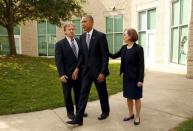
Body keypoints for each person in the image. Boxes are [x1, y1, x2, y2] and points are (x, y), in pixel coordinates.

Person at [67, 15, 110, 126]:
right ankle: (79, 119)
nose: (82, 24)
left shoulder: (100, 36)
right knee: (82, 95)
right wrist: (77, 68)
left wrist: (103, 72)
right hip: (85, 72)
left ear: (91, 22)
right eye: (81, 22)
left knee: (102, 93)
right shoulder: (81, 37)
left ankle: (105, 111)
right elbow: (81, 55)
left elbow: (105, 56)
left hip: (98, 72)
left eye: (84, 22)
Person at [109, 28, 144, 125]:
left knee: (136, 97)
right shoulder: (124, 48)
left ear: (131, 36)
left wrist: (140, 80)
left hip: (136, 78)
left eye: (125, 35)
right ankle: (130, 114)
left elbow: (141, 65)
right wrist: (104, 50)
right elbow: (114, 56)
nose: (123, 36)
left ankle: (137, 116)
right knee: (128, 97)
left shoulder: (138, 49)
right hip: (127, 78)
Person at [55, 22, 87, 120]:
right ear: (65, 32)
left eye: (73, 29)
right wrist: (61, 74)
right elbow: (59, 61)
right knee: (67, 94)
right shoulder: (60, 44)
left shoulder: (78, 41)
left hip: (79, 73)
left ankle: (79, 110)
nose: (72, 31)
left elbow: (81, 56)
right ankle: (70, 112)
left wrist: (78, 69)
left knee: (79, 93)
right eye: (69, 29)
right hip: (67, 75)